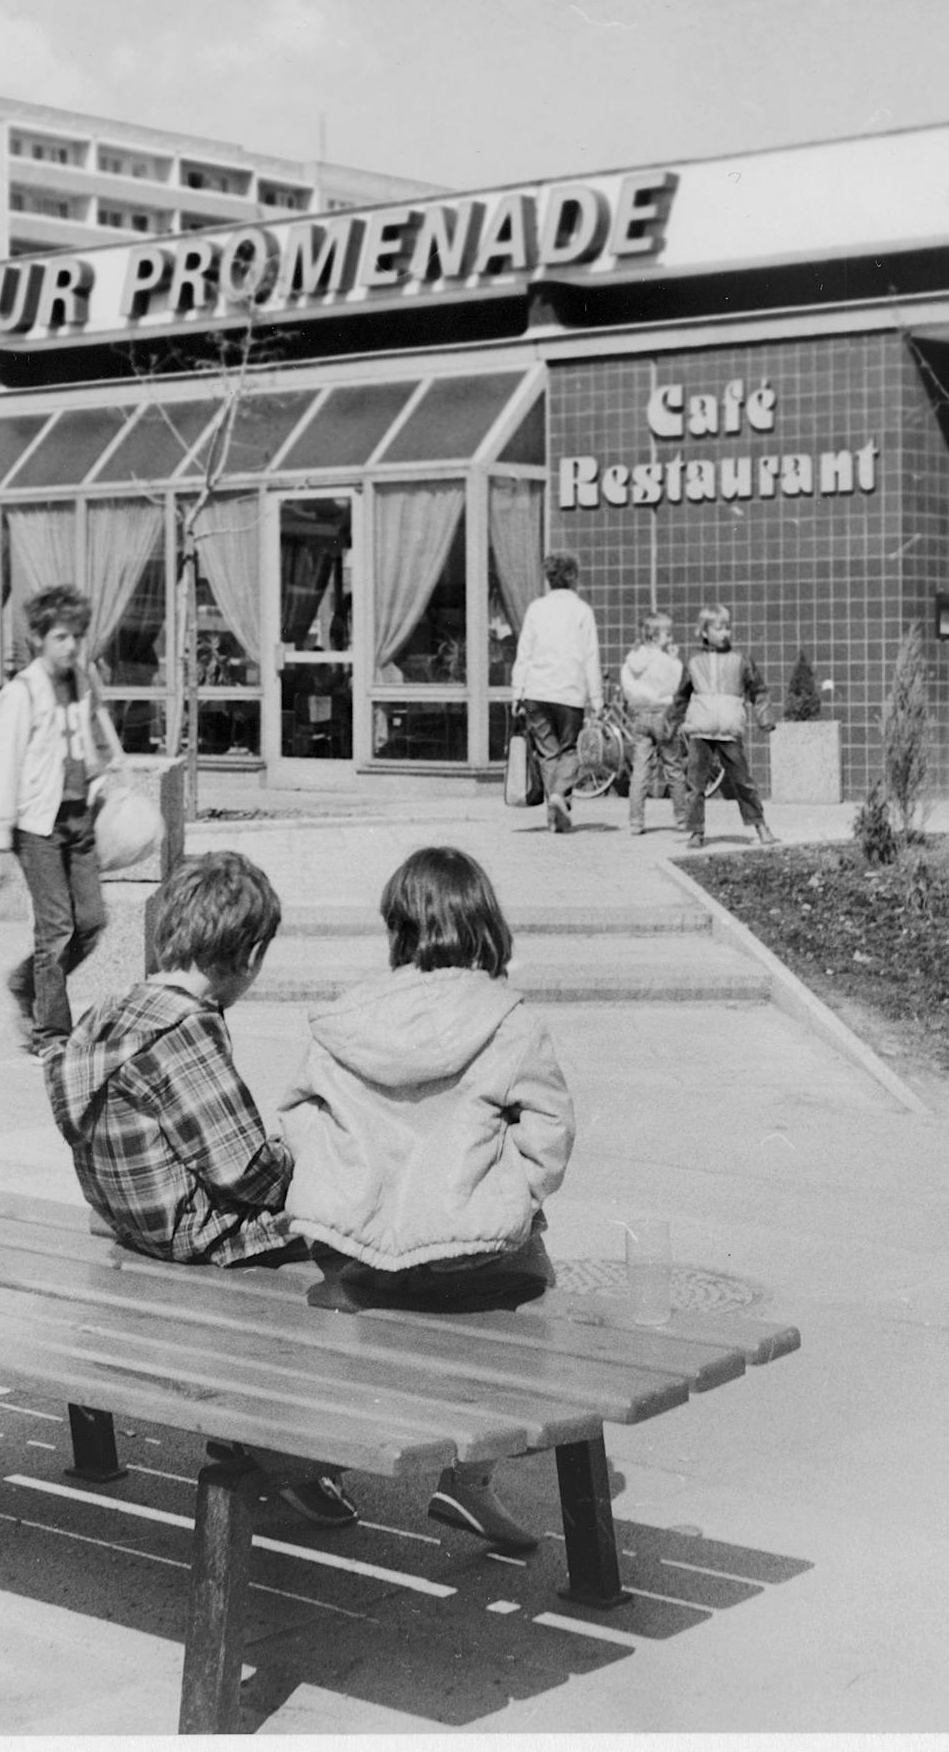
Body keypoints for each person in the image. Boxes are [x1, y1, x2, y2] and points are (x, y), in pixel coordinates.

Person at [43, 849, 360, 1529]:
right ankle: (288, 1450)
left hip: (132, 1221)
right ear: (246, 954)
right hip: (196, 1236)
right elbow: (244, 1169)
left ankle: (269, 1436)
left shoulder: (108, 1012)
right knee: (354, 1242)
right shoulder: (185, 1026)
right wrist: (312, 1163)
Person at [278, 846, 575, 1551]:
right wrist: (510, 1196)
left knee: (358, 1313)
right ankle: (468, 1483)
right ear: (485, 925)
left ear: (398, 928)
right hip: (479, 1267)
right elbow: (550, 1138)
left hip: (362, 1265)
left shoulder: (348, 1017)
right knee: (537, 1277)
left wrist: (348, 1196)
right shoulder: (509, 1020)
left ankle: (314, 1461)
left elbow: (297, 1120)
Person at [0, 585, 125, 1052]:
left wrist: (106, 785)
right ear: (39, 638)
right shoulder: (22, 693)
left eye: (76, 637)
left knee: (92, 921)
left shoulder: (81, 683)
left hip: (79, 820)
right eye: (61, 637)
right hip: (37, 827)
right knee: (57, 929)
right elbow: (1, 768)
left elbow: (86, 747)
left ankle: (25, 983)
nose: (70, 646)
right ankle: (51, 1034)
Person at [667, 605, 777, 850]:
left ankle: (760, 825)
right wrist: (670, 724)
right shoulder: (694, 661)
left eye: (727, 627)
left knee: (743, 781)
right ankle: (696, 831)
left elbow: (758, 691)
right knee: (695, 784)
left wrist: (764, 717)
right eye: (719, 628)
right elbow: (681, 696)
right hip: (700, 730)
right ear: (704, 632)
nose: (725, 633)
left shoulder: (740, 659)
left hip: (729, 729)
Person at [511, 551, 602, 834]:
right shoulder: (582, 611)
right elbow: (591, 657)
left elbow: (524, 653)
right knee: (570, 748)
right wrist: (597, 698)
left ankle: (554, 815)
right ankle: (558, 795)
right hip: (570, 692)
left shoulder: (536, 609)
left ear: (549, 579)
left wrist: (518, 691)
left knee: (546, 751)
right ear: (573, 577)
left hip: (536, 691)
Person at [619, 610, 688, 837]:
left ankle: (636, 821)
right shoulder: (664, 660)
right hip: (663, 715)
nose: (670, 638)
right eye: (667, 634)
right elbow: (675, 683)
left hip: (640, 715)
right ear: (655, 636)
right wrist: (675, 659)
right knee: (673, 767)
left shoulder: (632, 659)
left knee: (640, 770)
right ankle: (681, 818)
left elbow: (628, 685)